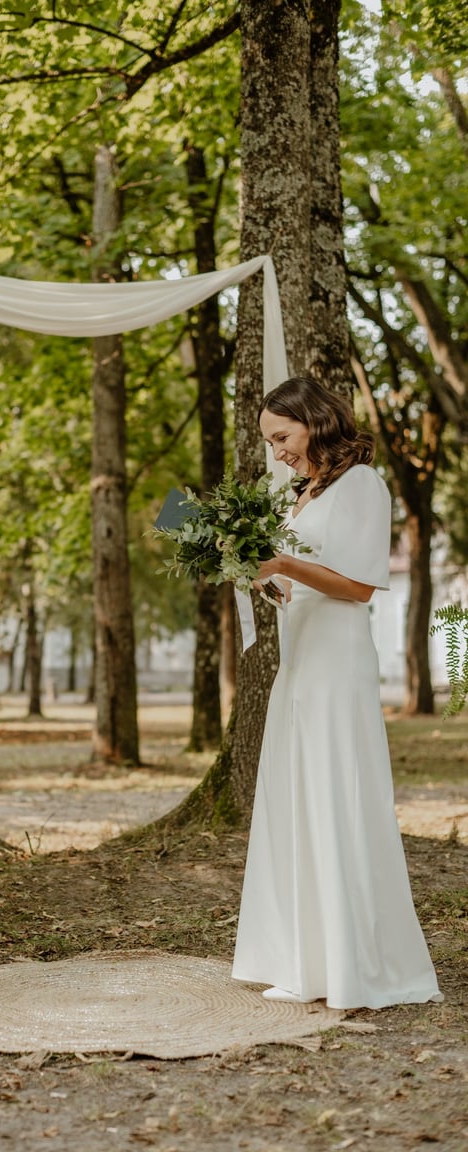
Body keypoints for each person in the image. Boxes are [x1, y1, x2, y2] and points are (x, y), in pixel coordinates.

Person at [231, 375, 442, 1010]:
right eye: (270, 442)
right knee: (298, 798)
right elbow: (302, 583)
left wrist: (281, 563)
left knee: (335, 797)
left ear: (314, 421)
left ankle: (356, 965)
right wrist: (263, 575)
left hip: (338, 660)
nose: (277, 452)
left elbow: (358, 585)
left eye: (282, 437)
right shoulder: (302, 493)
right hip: (299, 656)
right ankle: (306, 960)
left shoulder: (362, 484)